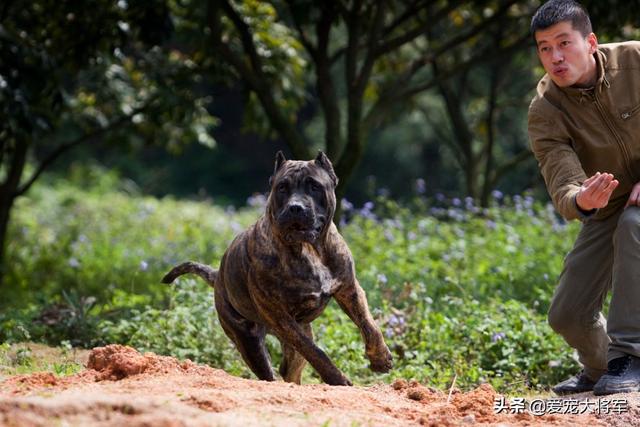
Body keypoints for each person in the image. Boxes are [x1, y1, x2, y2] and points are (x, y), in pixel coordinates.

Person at [528, 0, 640, 396]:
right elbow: (561, 177)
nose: (555, 57)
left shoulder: (636, 60)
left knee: (635, 224)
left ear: (590, 41)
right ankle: (600, 365)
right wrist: (581, 199)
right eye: (544, 48)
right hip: (607, 203)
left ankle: (630, 359)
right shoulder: (545, 110)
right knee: (567, 315)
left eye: (564, 43)